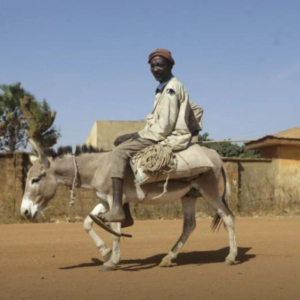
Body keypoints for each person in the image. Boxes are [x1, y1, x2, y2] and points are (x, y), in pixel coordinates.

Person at [97, 48, 202, 227]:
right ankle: (126, 214)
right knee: (126, 151)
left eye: (159, 65)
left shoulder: (170, 89)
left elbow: (163, 128)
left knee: (119, 153)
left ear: (170, 65)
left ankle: (117, 209)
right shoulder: (163, 89)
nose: (155, 69)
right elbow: (193, 109)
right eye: (152, 66)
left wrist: (133, 134)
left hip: (166, 136)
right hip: (160, 133)